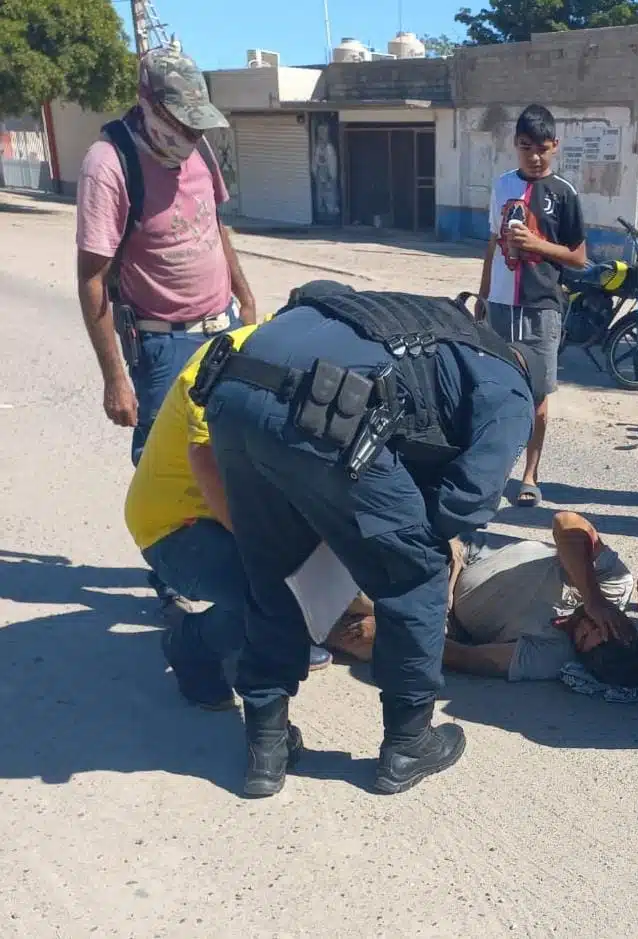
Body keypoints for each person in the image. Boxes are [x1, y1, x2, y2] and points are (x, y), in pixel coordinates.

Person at [201, 281, 541, 798]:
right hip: (317, 409)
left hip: (231, 391)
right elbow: (465, 501)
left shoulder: (432, 324)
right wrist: (398, 544)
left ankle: (265, 748)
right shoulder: (512, 388)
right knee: (415, 568)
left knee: (274, 569)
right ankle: (408, 744)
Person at [124, 324, 333, 711]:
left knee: (317, 582)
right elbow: (205, 460)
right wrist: (271, 555)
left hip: (236, 502)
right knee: (276, 601)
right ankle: (191, 645)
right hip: (176, 525)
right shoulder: (222, 364)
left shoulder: (304, 350)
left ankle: (273, 629)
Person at [76, 46, 256, 467]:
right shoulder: (108, 165)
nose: (192, 137)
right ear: (149, 106)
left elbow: (214, 227)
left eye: (198, 126)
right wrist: (115, 379)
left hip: (224, 330)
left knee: (230, 455)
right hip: (163, 343)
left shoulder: (199, 150)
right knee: (169, 467)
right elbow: (91, 279)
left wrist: (244, 299)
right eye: (182, 123)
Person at [326, 512, 638, 687]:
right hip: (457, 555)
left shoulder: (551, 657)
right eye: (599, 627)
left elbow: (467, 658)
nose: (587, 625)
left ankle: (305, 631)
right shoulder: (613, 583)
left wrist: (401, 634)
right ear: (624, 628)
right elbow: (566, 522)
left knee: (367, 636)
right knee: (356, 588)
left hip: (448, 620)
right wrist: (592, 596)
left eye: (584, 639)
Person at [478, 104, 587, 508]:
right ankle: (491, 471)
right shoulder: (502, 185)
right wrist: (483, 295)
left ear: (555, 146)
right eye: (525, 147)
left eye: (542, 148)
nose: (534, 156)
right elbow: (491, 243)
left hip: (541, 307)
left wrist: (537, 246)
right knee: (493, 388)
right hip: (501, 306)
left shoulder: (564, 193)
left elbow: (578, 256)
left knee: (538, 395)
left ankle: (530, 474)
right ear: (515, 145)